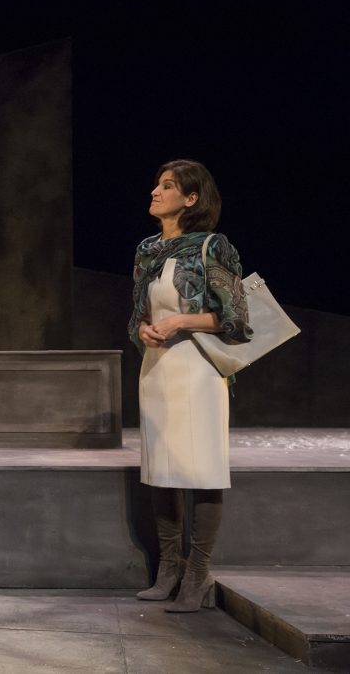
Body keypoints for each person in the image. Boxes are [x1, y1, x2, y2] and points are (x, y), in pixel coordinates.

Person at [127, 160, 252, 612]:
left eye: (167, 186)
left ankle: (198, 575)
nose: (156, 192)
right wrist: (144, 329)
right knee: (162, 469)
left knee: (201, 469)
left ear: (191, 198)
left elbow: (236, 318)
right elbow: (139, 312)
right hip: (158, 368)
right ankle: (169, 569)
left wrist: (181, 321)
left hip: (198, 370)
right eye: (156, 184)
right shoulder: (147, 250)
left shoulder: (212, 246)